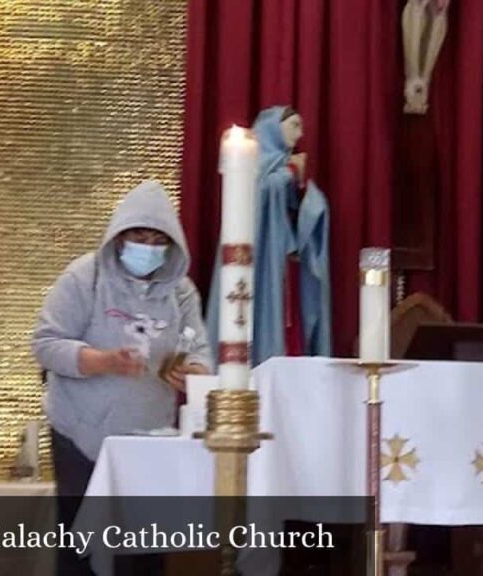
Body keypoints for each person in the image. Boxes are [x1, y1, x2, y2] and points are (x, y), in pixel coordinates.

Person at [32, 180, 211, 575]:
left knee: (144, 546)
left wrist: (192, 371)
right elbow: (46, 343)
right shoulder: (84, 278)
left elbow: (196, 347)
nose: (146, 246)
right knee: (80, 545)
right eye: (137, 235)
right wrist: (100, 360)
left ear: (171, 243)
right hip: (81, 430)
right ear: (118, 235)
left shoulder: (180, 293)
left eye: (156, 238)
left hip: (149, 438)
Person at [207, 106, 331, 366]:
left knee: (290, 328)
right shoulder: (256, 164)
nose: (299, 135)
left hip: (286, 263)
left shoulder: (288, 164)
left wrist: (305, 193)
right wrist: (289, 174)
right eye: (294, 126)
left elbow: (302, 208)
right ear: (273, 128)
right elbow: (255, 194)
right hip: (257, 262)